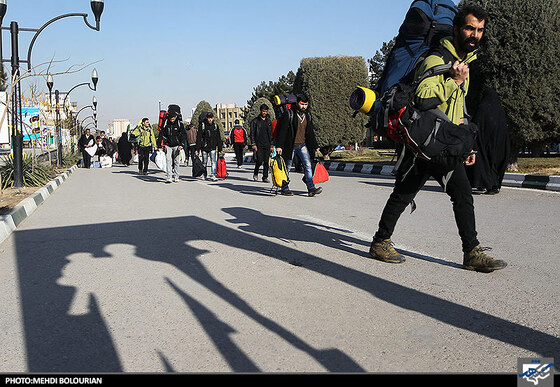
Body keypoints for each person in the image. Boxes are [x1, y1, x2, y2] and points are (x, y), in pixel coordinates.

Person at [369, 5, 506, 273]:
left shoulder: (464, 62)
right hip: (424, 142)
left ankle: (471, 251)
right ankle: (381, 241)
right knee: (404, 194)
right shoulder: (437, 59)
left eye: (479, 30)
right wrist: (452, 81)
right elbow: (422, 97)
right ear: (456, 29)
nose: (474, 35)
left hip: (444, 142)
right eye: (469, 28)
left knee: (461, 195)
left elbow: (459, 108)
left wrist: (466, 143)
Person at [275, 94, 322, 197]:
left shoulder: (308, 115)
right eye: (302, 104)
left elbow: (310, 132)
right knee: (287, 167)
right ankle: (284, 188)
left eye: (305, 104)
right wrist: (279, 146)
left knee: (308, 166)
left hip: (302, 145)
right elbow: (282, 131)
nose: (303, 106)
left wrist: (315, 145)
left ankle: (311, 188)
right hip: (290, 146)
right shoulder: (289, 114)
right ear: (297, 103)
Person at [466, 88, 510, 194]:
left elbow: (476, 125)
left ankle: (486, 184)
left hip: (484, 143)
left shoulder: (482, 108)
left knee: (485, 163)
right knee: (495, 163)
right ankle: (495, 185)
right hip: (499, 144)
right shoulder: (500, 110)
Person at [157, 111, 186, 183]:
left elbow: (183, 135)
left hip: (177, 145)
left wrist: (181, 144)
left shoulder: (180, 124)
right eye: (170, 119)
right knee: (168, 161)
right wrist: (159, 145)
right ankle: (169, 177)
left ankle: (176, 176)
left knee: (176, 161)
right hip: (168, 145)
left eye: (173, 119)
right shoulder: (166, 124)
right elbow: (161, 134)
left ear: (176, 117)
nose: (172, 120)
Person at [196, 112, 223, 182]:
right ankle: (204, 174)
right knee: (204, 162)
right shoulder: (202, 126)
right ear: (207, 118)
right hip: (204, 147)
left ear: (213, 118)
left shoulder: (215, 126)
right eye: (209, 118)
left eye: (211, 118)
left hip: (213, 147)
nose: (210, 119)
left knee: (213, 161)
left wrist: (220, 148)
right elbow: (199, 137)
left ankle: (213, 175)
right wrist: (197, 149)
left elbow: (218, 138)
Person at [250, 105, 274, 182]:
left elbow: (271, 134)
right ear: (260, 111)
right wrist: (253, 144)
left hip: (267, 144)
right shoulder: (255, 121)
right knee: (259, 160)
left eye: (266, 111)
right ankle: (256, 173)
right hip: (258, 144)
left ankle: (265, 177)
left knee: (266, 161)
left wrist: (271, 145)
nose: (264, 113)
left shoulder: (268, 121)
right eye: (263, 111)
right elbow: (252, 133)